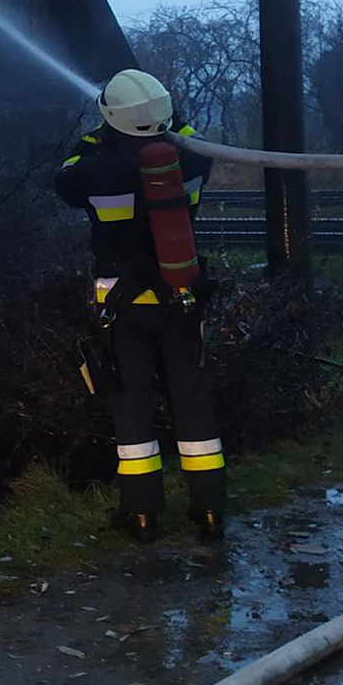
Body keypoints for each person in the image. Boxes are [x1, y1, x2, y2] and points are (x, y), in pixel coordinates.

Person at [56, 69, 219, 544]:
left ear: (111, 119)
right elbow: (191, 139)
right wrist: (174, 126)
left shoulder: (95, 168)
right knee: (194, 406)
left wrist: (96, 138)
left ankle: (142, 516)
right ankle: (209, 511)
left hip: (124, 307)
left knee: (133, 409)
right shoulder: (191, 162)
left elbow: (63, 180)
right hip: (182, 298)